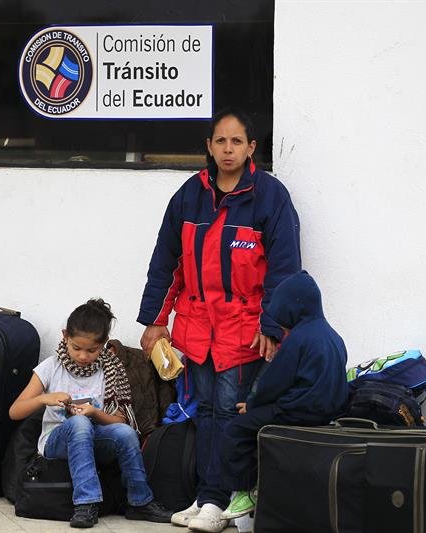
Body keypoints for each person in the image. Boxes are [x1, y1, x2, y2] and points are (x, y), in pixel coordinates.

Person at [137, 108, 301, 531]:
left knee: (232, 414)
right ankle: (206, 496)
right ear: (209, 147)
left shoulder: (270, 197)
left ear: (251, 148)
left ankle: (224, 499)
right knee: (205, 413)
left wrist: (273, 325)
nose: (228, 149)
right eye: (220, 141)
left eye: (236, 141)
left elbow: (284, 271)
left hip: (245, 332)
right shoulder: (189, 195)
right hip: (197, 329)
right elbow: (165, 264)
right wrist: (155, 321)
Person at [9, 298, 173, 528]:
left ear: (104, 343)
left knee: (125, 433)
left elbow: (120, 420)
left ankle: (139, 502)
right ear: (65, 336)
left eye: (92, 350)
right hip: (56, 442)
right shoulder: (51, 366)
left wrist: (95, 412)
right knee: (79, 424)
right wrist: (44, 398)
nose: (83, 356)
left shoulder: (111, 368)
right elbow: (14, 412)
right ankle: (86, 503)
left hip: (94, 437)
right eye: (76, 348)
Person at [217, 271, 349, 523]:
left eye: (282, 319)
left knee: (236, 430)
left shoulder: (298, 339)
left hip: (297, 412)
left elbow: (273, 384)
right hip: (328, 414)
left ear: (292, 310)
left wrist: (252, 405)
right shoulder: (334, 337)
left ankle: (244, 491)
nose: (281, 327)